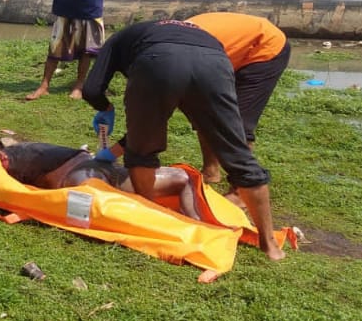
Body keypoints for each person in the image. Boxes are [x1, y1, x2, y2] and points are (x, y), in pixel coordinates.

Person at [79, 19, 285, 261]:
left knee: (142, 153)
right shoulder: (185, 31)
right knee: (238, 154)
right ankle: (270, 245)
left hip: (158, 59)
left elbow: (92, 89)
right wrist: (115, 150)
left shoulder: (116, 40)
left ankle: (150, 218)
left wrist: (105, 108)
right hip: (216, 62)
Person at [185, 12, 290, 183]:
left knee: (239, 123)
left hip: (264, 46)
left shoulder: (179, 50)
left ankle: (241, 189)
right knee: (203, 112)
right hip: (225, 52)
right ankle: (210, 171)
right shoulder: (169, 47)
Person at [0, 137, 198, 219]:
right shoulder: (18, 152)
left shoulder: (9, 158)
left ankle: (183, 220)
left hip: (75, 185)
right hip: (87, 173)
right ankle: (195, 222)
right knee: (182, 177)